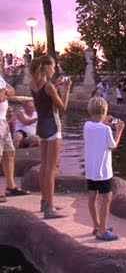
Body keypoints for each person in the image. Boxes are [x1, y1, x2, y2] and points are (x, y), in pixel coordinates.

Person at [29, 55, 72, 219]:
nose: (55, 69)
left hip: (41, 126)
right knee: (50, 169)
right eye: (53, 66)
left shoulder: (35, 84)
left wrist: (56, 85)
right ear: (47, 67)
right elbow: (63, 108)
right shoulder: (49, 87)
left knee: (44, 166)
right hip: (53, 127)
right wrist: (66, 89)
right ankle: (50, 208)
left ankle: (44, 202)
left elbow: (45, 98)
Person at [84, 96, 125, 241]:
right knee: (106, 198)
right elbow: (112, 146)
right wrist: (118, 131)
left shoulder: (87, 126)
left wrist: (103, 121)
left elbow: (96, 127)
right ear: (105, 110)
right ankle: (102, 231)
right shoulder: (106, 129)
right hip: (103, 171)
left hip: (90, 170)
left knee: (92, 196)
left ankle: (96, 226)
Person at [0, 75, 29, 203]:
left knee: (9, 152)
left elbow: (11, 90)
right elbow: (1, 97)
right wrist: (4, 93)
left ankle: (10, 186)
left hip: (3, 121)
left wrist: (5, 92)